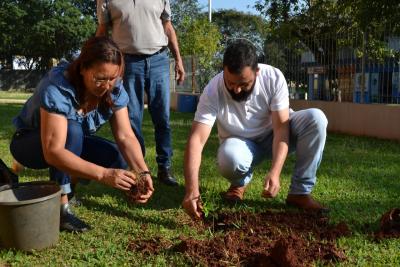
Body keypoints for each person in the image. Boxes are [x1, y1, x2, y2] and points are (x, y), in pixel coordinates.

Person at [10, 36, 154, 232]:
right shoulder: (58, 85)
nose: (106, 86)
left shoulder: (113, 88)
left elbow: (126, 136)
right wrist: (103, 174)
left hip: (69, 141)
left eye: (113, 78)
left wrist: (142, 172)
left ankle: (69, 192)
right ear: (82, 68)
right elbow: (53, 151)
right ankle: (61, 209)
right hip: (30, 145)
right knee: (73, 130)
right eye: (100, 78)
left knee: (118, 157)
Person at [182, 39, 329, 220]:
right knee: (229, 157)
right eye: (230, 83)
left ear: (257, 72)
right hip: (242, 144)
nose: (236, 89)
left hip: (275, 134)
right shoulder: (213, 90)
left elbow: (282, 129)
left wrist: (275, 172)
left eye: (243, 84)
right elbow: (196, 140)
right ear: (224, 70)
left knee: (316, 118)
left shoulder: (273, 77)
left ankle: (299, 192)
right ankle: (238, 184)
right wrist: (192, 191)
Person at [96, 0, 185, 186]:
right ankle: (139, 168)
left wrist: (178, 59)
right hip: (127, 63)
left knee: (162, 118)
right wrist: (93, 61)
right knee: (131, 119)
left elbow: (167, 26)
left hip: (159, 60)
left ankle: (164, 168)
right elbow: (102, 31)